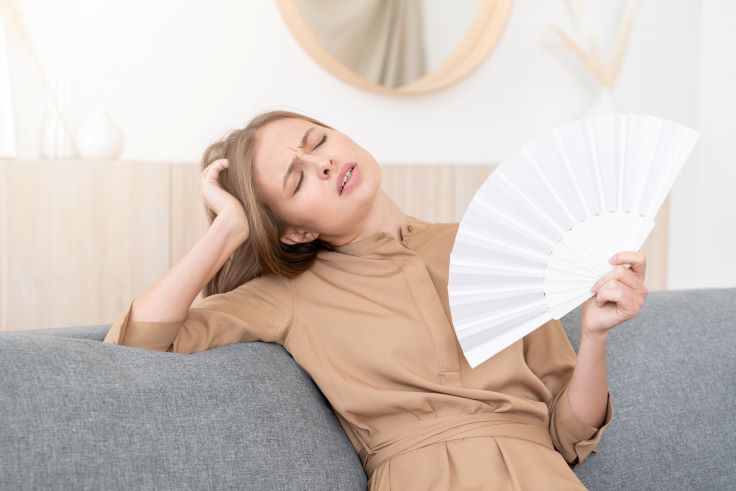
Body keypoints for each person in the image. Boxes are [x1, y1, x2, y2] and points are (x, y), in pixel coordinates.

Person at [102, 110, 648, 490]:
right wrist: (227, 231)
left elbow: (568, 435)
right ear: (292, 232)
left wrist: (595, 334)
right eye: (296, 181)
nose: (322, 163)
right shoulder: (285, 295)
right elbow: (134, 345)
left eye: (318, 142)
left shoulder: (492, 243)